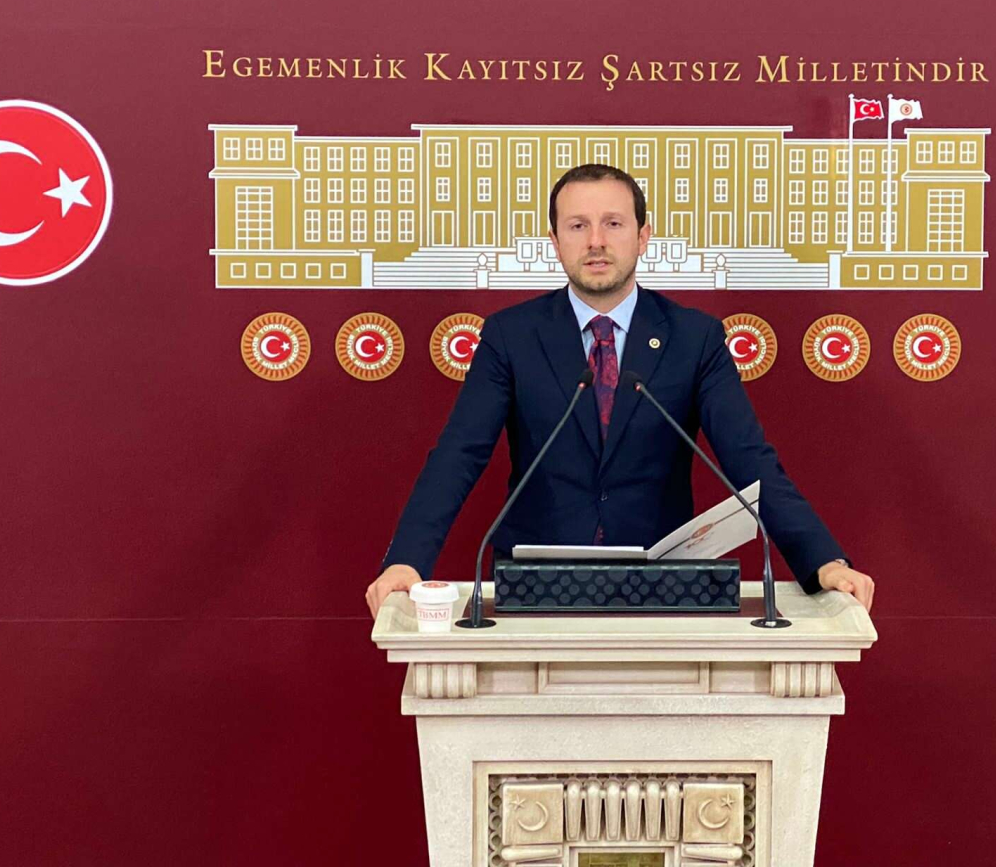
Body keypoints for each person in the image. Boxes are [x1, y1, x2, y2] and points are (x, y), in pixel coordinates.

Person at [365, 164, 875, 618]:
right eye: (577, 226)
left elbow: (750, 461)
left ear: (642, 235)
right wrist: (406, 561)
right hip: (535, 587)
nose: (596, 241)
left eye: (613, 223)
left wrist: (823, 561)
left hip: (662, 584)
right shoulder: (511, 335)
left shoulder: (694, 338)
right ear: (555, 240)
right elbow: (459, 453)